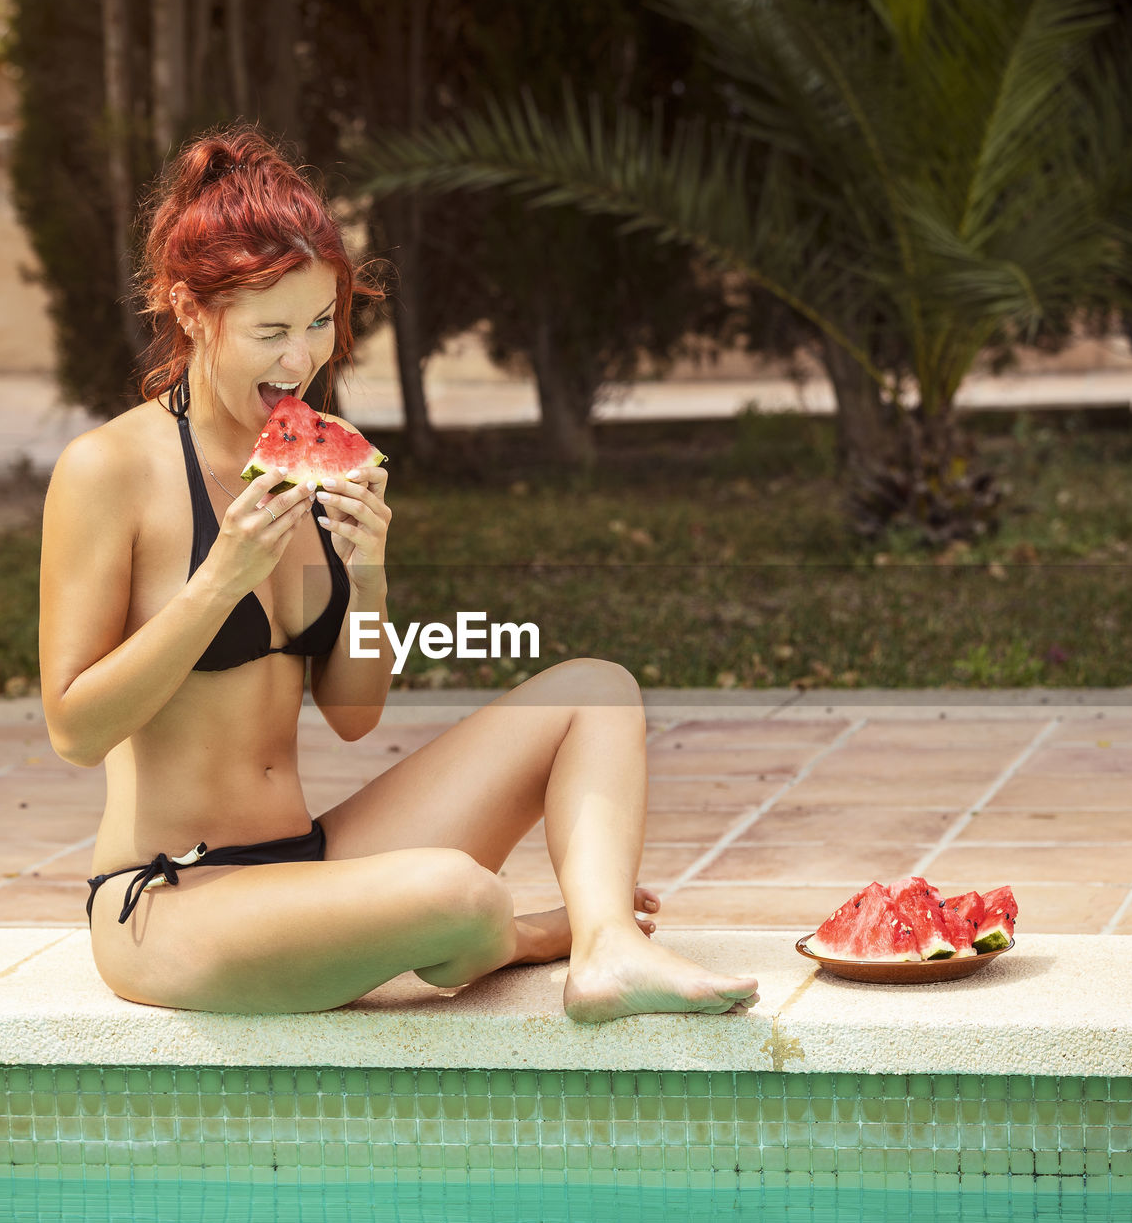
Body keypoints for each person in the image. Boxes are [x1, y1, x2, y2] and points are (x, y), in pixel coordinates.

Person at [39, 124, 759, 1021]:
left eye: (317, 325)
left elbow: (352, 713)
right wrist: (219, 582)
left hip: (309, 863)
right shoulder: (110, 471)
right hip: (173, 900)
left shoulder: (298, 465)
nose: (300, 361)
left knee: (598, 691)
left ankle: (605, 944)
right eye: (270, 331)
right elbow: (73, 727)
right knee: (456, 892)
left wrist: (368, 579)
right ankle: (524, 935)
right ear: (191, 311)